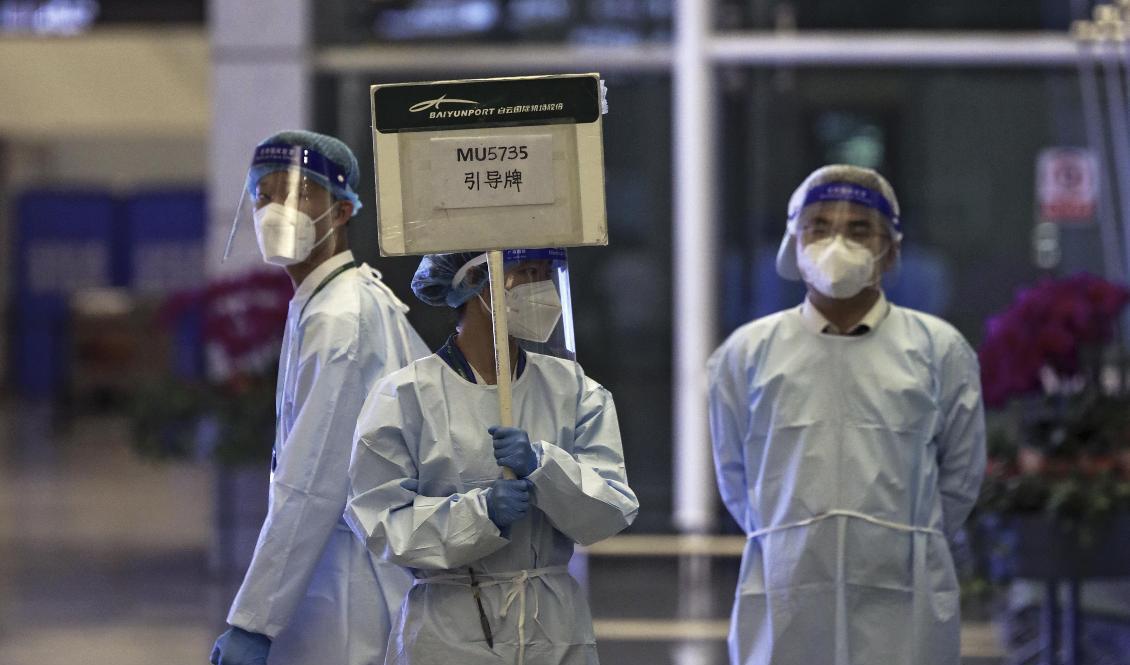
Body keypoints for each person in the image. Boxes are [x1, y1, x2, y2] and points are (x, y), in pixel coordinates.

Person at [707, 165, 986, 665]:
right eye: (819, 227)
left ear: (891, 249)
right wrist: (793, 537)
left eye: (859, 230)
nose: (837, 244)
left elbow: (961, 477)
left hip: (904, 590)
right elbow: (735, 475)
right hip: (786, 587)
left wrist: (898, 539)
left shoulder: (938, 350)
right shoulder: (747, 353)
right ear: (794, 244)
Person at [346, 250, 639, 665]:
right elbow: (381, 524)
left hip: (553, 629)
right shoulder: (405, 396)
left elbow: (610, 512)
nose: (541, 289)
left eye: (545, 273)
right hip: (448, 631)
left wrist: (544, 470)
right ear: (472, 281)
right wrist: (480, 515)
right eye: (526, 272)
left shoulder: (573, 390)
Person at [210, 130, 429, 665]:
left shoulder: (339, 319)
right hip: (342, 570)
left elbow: (311, 482)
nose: (275, 210)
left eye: (298, 193)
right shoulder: (332, 299)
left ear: (343, 209)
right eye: (264, 195)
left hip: (351, 585)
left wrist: (252, 621)